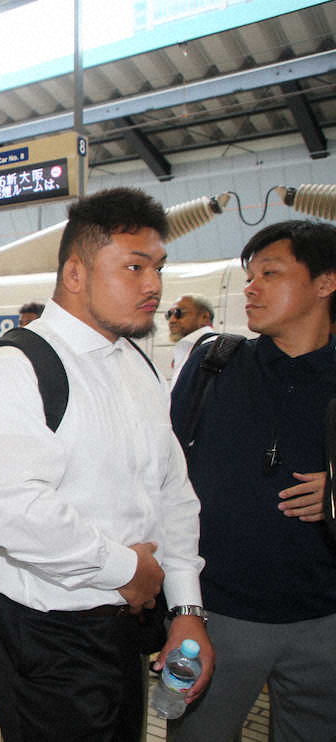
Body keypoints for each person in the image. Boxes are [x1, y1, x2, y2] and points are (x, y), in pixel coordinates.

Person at [0, 187, 212, 742]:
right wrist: (129, 570)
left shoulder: (136, 365)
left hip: (126, 627)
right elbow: (12, 510)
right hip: (46, 636)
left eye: (158, 267)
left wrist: (186, 605)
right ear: (75, 274)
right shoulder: (16, 366)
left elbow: (173, 493)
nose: (153, 286)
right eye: (133, 266)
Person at [168, 220, 336, 742]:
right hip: (212, 620)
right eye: (249, 275)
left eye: (271, 273)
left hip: (325, 623)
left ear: (326, 282)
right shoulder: (213, 365)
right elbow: (165, 473)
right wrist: (182, 608)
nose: (251, 287)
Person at [166, 294, 216, 387]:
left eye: (179, 313)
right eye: (169, 315)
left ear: (204, 317)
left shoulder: (214, 347)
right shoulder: (188, 348)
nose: (171, 320)